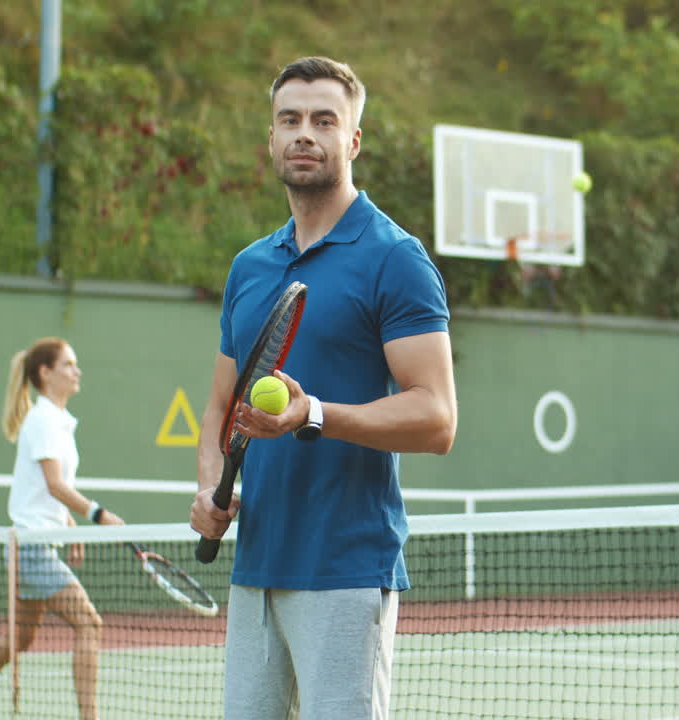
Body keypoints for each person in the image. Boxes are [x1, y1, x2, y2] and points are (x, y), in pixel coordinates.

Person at [188, 56, 457, 720]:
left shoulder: (396, 258)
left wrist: (313, 413)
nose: (304, 133)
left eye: (324, 120)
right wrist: (209, 486)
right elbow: (221, 405)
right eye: (290, 119)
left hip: (346, 570)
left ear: (353, 140)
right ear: (272, 138)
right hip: (256, 569)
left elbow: (437, 418)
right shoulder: (249, 266)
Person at [0, 337, 124, 720]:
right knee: (89, 624)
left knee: (20, 637)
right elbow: (54, 484)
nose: (77, 371)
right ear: (46, 373)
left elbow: (48, 488)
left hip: (35, 544)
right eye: (68, 364)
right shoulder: (43, 420)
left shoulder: (57, 421)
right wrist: (98, 514)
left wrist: (67, 525)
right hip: (31, 548)